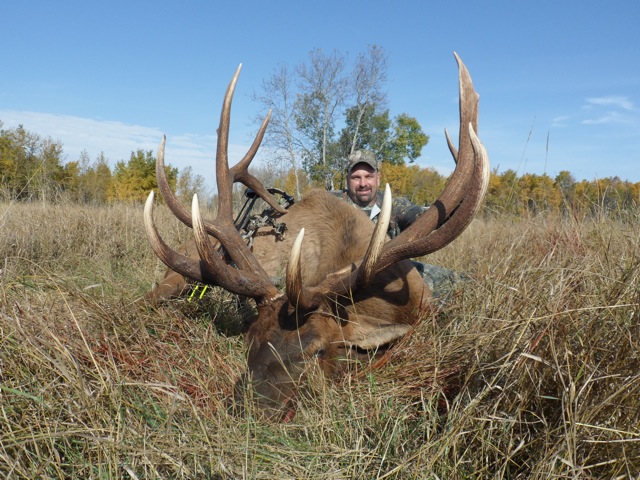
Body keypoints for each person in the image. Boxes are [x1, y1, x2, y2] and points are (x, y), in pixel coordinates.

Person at [332, 149, 465, 300]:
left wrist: (454, 203)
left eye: (369, 176)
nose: (363, 183)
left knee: (459, 282)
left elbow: (421, 216)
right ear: (347, 179)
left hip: (388, 272)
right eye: (356, 177)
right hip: (341, 277)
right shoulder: (331, 204)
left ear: (378, 178)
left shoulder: (395, 204)